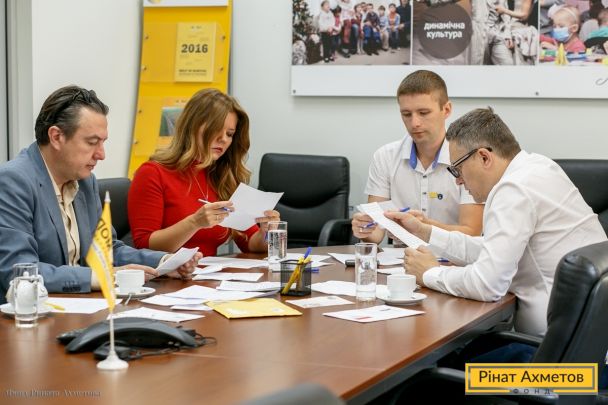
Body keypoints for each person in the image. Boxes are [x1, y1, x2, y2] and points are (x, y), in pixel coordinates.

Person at [386, 107, 607, 337]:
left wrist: (430, 273)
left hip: (547, 356)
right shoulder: (539, 167)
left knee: (444, 357)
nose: (458, 181)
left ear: (484, 157)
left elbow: (487, 284)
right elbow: (493, 250)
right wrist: (425, 232)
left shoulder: (513, 189)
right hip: (588, 345)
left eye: (457, 169)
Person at [0, 85, 200, 303]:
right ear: (56, 137)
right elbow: (20, 272)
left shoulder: (86, 182)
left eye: (103, 142)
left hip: (83, 309)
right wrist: (103, 276)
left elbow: (107, 250)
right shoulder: (13, 181)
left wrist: (165, 262)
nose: (101, 154)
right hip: (32, 315)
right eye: (92, 142)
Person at [128, 88, 280, 258]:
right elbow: (144, 245)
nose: (224, 139)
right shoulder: (152, 173)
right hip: (168, 273)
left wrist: (266, 233)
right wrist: (195, 222)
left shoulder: (223, 177)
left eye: (230, 134)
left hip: (210, 273)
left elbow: (250, 242)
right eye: (216, 129)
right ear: (192, 127)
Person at [352, 70, 483, 245]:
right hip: (401, 257)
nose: (415, 123)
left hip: (452, 257)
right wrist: (363, 229)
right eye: (406, 114)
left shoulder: (468, 157)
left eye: (423, 112)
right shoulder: (385, 156)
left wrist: (423, 228)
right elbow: (376, 234)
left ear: (446, 110)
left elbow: (471, 233)